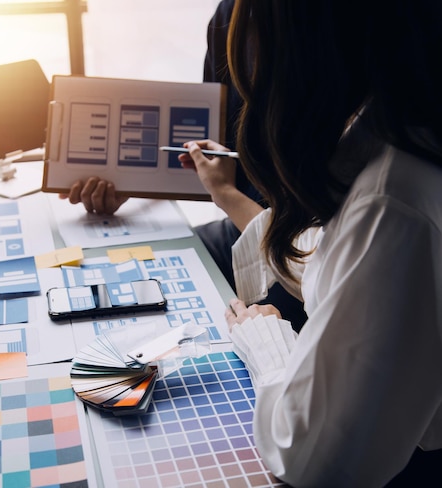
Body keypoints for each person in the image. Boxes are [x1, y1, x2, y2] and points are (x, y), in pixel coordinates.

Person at [182, 0, 442, 486]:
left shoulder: (390, 205)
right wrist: (229, 197)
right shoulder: (396, 139)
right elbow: (339, 263)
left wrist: (266, 340)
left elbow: (309, 459)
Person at [60, 0, 309, 332]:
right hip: (241, 230)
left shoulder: (325, 29)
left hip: (300, 258)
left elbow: (312, 261)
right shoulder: (231, 13)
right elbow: (210, 150)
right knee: (134, 270)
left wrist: (225, 193)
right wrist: (132, 181)